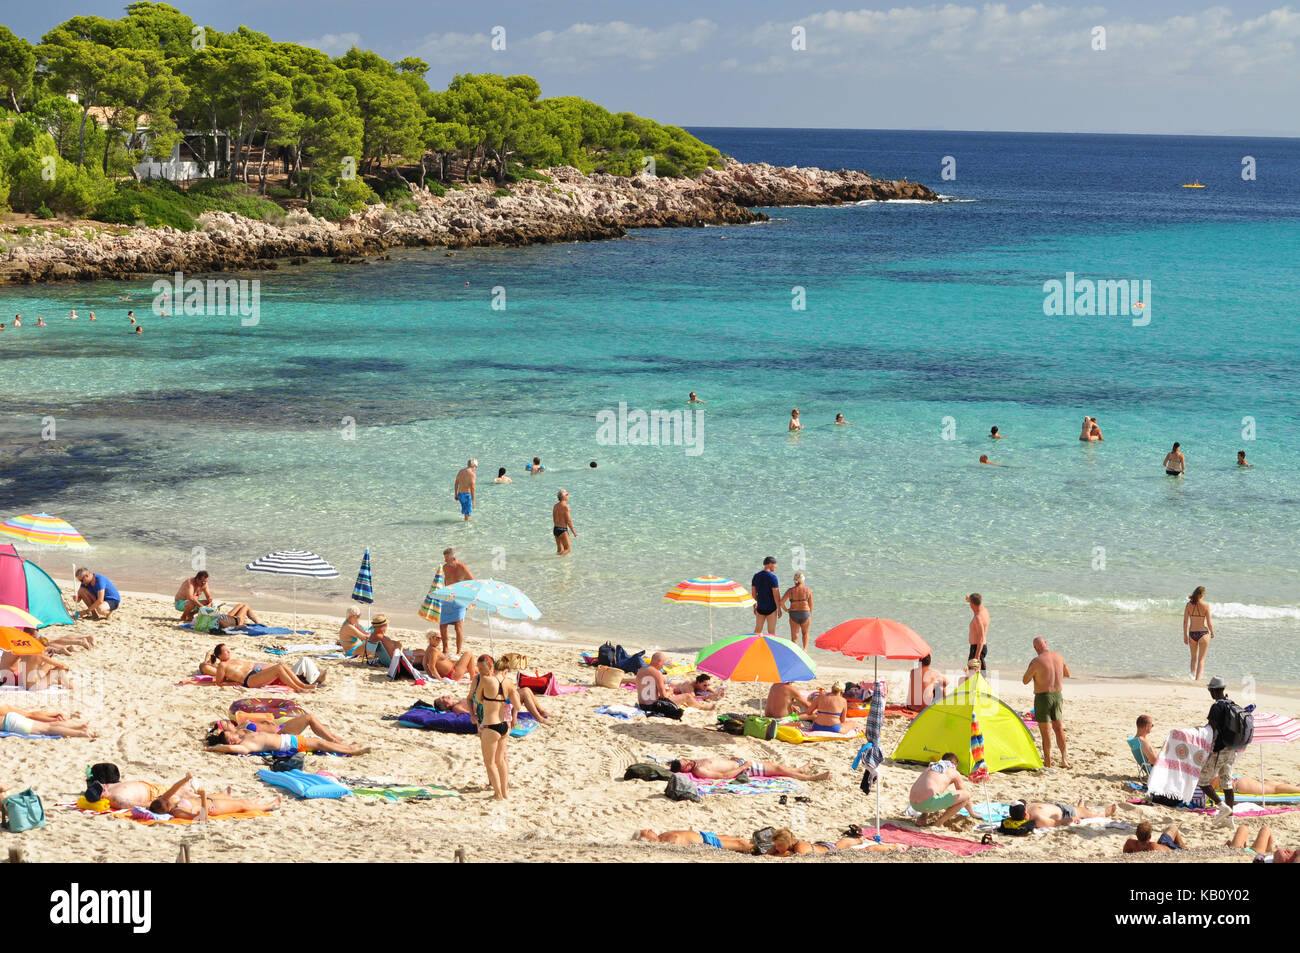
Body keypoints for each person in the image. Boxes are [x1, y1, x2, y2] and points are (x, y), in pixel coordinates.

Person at [468, 655, 519, 799]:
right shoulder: (509, 682)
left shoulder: (485, 680)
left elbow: (478, 699)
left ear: (492, 667)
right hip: (504, 725)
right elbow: (518, 705)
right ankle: (505, 792)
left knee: (490, 763)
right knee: (501, 761)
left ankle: (498, 794)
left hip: (490, 725)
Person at [1199, 675, 1248, 813]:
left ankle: (1222, 806)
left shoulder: (1216, 707)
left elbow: (1211, 729)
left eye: (1210, 690)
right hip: (1232, 750)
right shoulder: (1232, 704)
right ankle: (1230, 816)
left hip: (1219, 750)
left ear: (1213, 690)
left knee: (1202, 781)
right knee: (1227, 783)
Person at [148, 772, 281, 819]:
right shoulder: (177, 811)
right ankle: (270, 805)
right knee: (241, 805)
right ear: (166, 808)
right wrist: (204, 796)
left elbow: (173, 788)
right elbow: (203, 817)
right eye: (165, 801)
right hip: (213, 808)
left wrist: (185, 779)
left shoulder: (169, 801)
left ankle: (254, 802)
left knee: (240, 801)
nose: (167, 797)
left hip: (208, 800)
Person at [1022, 636, 1070, 767]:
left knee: (1046, 731)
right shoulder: (1059, 656)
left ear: (1035, 648)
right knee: (1059, 728)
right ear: (1046, 644)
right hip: (1058, 696)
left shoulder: (1036, 661)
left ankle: (1048, 762)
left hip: (1043, 698)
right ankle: (1064, 759)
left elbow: (1025, 680)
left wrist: (1039, 675)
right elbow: (1067, 673)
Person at [203, 644, 319, 692]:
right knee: (278, 668)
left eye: (229, 650)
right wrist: (234, 683)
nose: (229, 652)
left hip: (254, 674)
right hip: (249, 680)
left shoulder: (233, 661)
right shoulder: (222, 665)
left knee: (282, 665)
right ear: (219, 656)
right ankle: (299, 688)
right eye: (226, 651)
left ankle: (302, 685)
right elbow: (219, 682)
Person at [206, 726, 369, 756]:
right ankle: (351, 751)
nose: (234, 735)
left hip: (287, 739)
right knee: (320, 744)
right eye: (231, 738)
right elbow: (228, 749)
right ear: (230, 743)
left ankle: (347, 746)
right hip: (288, 744)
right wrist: (213, 749)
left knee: (318, 741)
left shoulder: (243, 736)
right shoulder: (244, 746)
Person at [907, 753, 971, 827]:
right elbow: (964, 794)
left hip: (913, 803)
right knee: (966, 795)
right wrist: (972, 813)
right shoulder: (954, 771)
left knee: (933, 792)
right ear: (954, 763)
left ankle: (922, 818)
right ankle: (938, 823)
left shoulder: (932, 766)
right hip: (926, 803)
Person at [212, 708, 345, 743]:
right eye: (226, 724)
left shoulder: (240, 726)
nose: (228, 722)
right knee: (308, 718)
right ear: (224, 731)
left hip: (279, 727)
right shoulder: (239, 734)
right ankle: (332, 740)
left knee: (308, 718)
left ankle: (333, 737)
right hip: (280, 734)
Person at [636, 653, 710, 712]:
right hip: (653, 706)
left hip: (642, 705)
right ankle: (702, 707)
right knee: (687, 696)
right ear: (659, 662)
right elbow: (663, 697)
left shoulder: (640, 671)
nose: (662, 667)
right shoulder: (657, 673)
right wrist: (670, 691)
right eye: (663, 664)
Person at [492, 655, 551, 724]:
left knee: (526, 689)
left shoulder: (491, 679)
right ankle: (539, 718)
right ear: (505, 671)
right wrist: (514, 717)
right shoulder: (506, 681)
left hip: (500, 705)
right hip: (504, 709)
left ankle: (541, 711)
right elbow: (515, 701)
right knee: (525, 693)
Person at [668, 757, 830, 782]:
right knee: (778, 770)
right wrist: (743, 767)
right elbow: (723, 776)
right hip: (743, 770)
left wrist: (732, 759)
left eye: (686, 760)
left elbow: (718, 763)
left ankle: (799, 770)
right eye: (686, 765)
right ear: (685, 771)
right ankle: (811, 778)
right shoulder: (699, 771)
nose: (689, 762)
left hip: (739, 763)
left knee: (775, 766)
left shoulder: (696, 762)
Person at [766, 828, 906, 856]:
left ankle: (894, 847)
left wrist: (774, 854)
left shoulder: (800, 848)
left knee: (865, 851)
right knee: (841, 844)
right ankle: (859, 839)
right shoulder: (796, 844)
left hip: (830, 851)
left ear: (788, 841)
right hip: (828, 846)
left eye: (779, 845)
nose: (777, 847)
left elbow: (794, 856)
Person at [438, 548, 474, 653]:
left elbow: (473, 583)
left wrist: (468, 599)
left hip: (460, 599)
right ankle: (446, 649)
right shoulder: (445, 567)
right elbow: (446, 580)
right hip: (448, 598)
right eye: (444, 559)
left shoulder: (462, 568)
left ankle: (458, 652)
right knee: (442, 625)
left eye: (447, 559)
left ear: (454, 558)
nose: (445, 561)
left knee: (458, 626)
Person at [0, 704, 94, 738]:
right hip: (11, 718)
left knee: (47, 729)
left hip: (10, 723)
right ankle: (78, 727)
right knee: (49, 725)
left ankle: (80, 733)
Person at [1183, 585, 1214, 680]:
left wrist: (1185, 635)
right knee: (1201, 659)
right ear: (1202, 595)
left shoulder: (1188, 605)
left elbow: (1185, 622)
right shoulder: (1206, 606)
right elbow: (1209, 623)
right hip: (1203, 634)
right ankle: (1197, 679)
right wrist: (1212, 632)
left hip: (1192, 634)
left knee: (1193, 658)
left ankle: (1192, 676)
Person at [637, 829, 752, 853]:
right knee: (740, 844)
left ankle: (760, 842)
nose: (651, 830)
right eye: (648, 832)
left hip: (704, 835)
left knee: (739, 840)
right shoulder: (664, 845)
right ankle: (767, 850)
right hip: (707, 842)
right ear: (648, 840)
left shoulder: (662, 835)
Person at [1023, 799, 1117, 828]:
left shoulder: (1017, 812)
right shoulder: (1038, 818)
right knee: (1091, 815)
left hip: (1052, 806)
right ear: (1024, 814)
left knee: (1080, 810)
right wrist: (1071, 819)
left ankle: (1081, 808)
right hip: (1065, 812)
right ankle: (1104, 813)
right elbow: (1056, 823)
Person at [780, 572, 813, 648]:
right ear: (803, 580)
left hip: (794, 614)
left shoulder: (790, 591)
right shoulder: (807, 590)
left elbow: (781, 602)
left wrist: (786, 610)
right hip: (805, 613)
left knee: (794, 637)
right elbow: (811, 604)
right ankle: (805, 650)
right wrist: (810, 615)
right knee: (805, 633)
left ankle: (796, 654)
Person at [751, 556, 781, 634]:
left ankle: (752, 646)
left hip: (760, 607)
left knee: (757, 631)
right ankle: (771, 646)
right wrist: (779, 609)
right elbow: (776, 595)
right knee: (771, 633)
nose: (776, 566)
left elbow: (753, 594)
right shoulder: (773, 577)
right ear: (770, 564)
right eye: (775, 564)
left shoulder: (756, 576)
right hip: (771, 608)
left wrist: (754, 606)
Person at [966, 593, 988, 672]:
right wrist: (970, 599)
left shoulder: (978, 618)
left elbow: (981, 638)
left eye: (970, 603)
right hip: (980, 647)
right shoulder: (984, 610)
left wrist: (977, 656)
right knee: (978, 674)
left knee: (974, 675)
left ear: (972, 604)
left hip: (977, 648)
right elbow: (976, 605)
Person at [553, 489, 576, 556]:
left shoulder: (555, 506)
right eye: (567, 494)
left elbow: (554, 518)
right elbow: (568, 521)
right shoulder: (566, 507)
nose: (568, 496)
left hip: (556, 529)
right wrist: (573, 531)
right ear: (563, 497)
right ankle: (555, 560)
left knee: (559, 550)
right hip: (562, 530)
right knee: (568, 549)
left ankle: (557, 564)